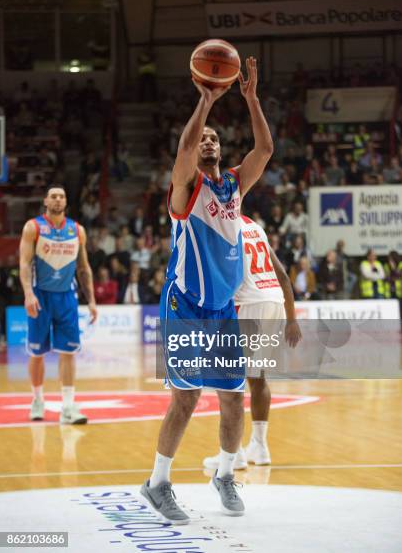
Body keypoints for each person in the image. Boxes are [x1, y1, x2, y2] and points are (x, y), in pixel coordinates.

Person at [141, 57, 273, 522]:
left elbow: (265, 150)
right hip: (185, 304)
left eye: (216, 138)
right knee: (186, 397)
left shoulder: (235, 184)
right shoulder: (185, 188)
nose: (209, 142)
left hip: (222, 308)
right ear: (194, 151)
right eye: (203, 140)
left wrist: (251, 99)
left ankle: (225, 474)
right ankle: (157, 483)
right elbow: (183, 148)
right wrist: (206, 97)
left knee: (233, 398)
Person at [203, 215, 301, 470]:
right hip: (273, 302)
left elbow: (223, 277)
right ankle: (260, 445)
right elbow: (281, 275)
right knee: (258, 377)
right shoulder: (255, 226)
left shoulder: (221, 229)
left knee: (228, 380)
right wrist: (291, 319)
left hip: (246, 304)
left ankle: (233, 453)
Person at [19, 185, 97, 424]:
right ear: (45, 201)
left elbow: (83, 268)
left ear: (66, 202)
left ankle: (68, 407)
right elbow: (23, 263)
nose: (57, 199)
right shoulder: (33, 227)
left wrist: (92, 300)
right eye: (53, 196)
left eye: (61, 196)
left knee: (68, 352)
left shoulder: (77, 230)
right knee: (37, 353)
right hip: (40, 296)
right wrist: (28, 294)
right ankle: (37, 399)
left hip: (66, 297)